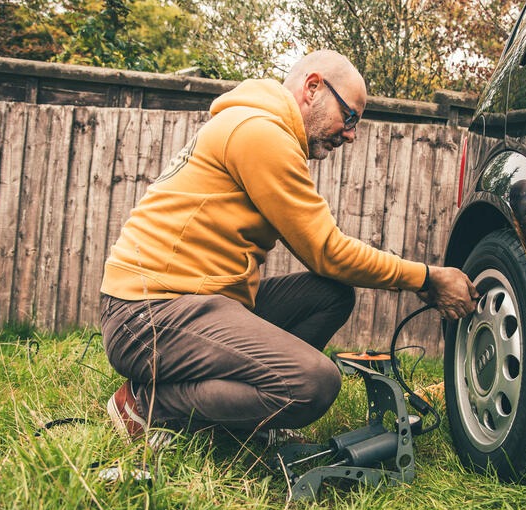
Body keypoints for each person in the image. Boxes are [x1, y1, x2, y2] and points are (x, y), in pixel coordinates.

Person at [99, 50, 477, 448]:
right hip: (146, 314)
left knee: (328, 296)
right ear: (313, 88)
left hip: (196, 301)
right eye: (349, 118)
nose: (350, 134)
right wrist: (427, 278)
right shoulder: (260, 132)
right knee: (313, 382)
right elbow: (327, 252)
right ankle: (149, 405)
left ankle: (248, 415)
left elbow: (327, 264)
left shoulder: (262, 129)